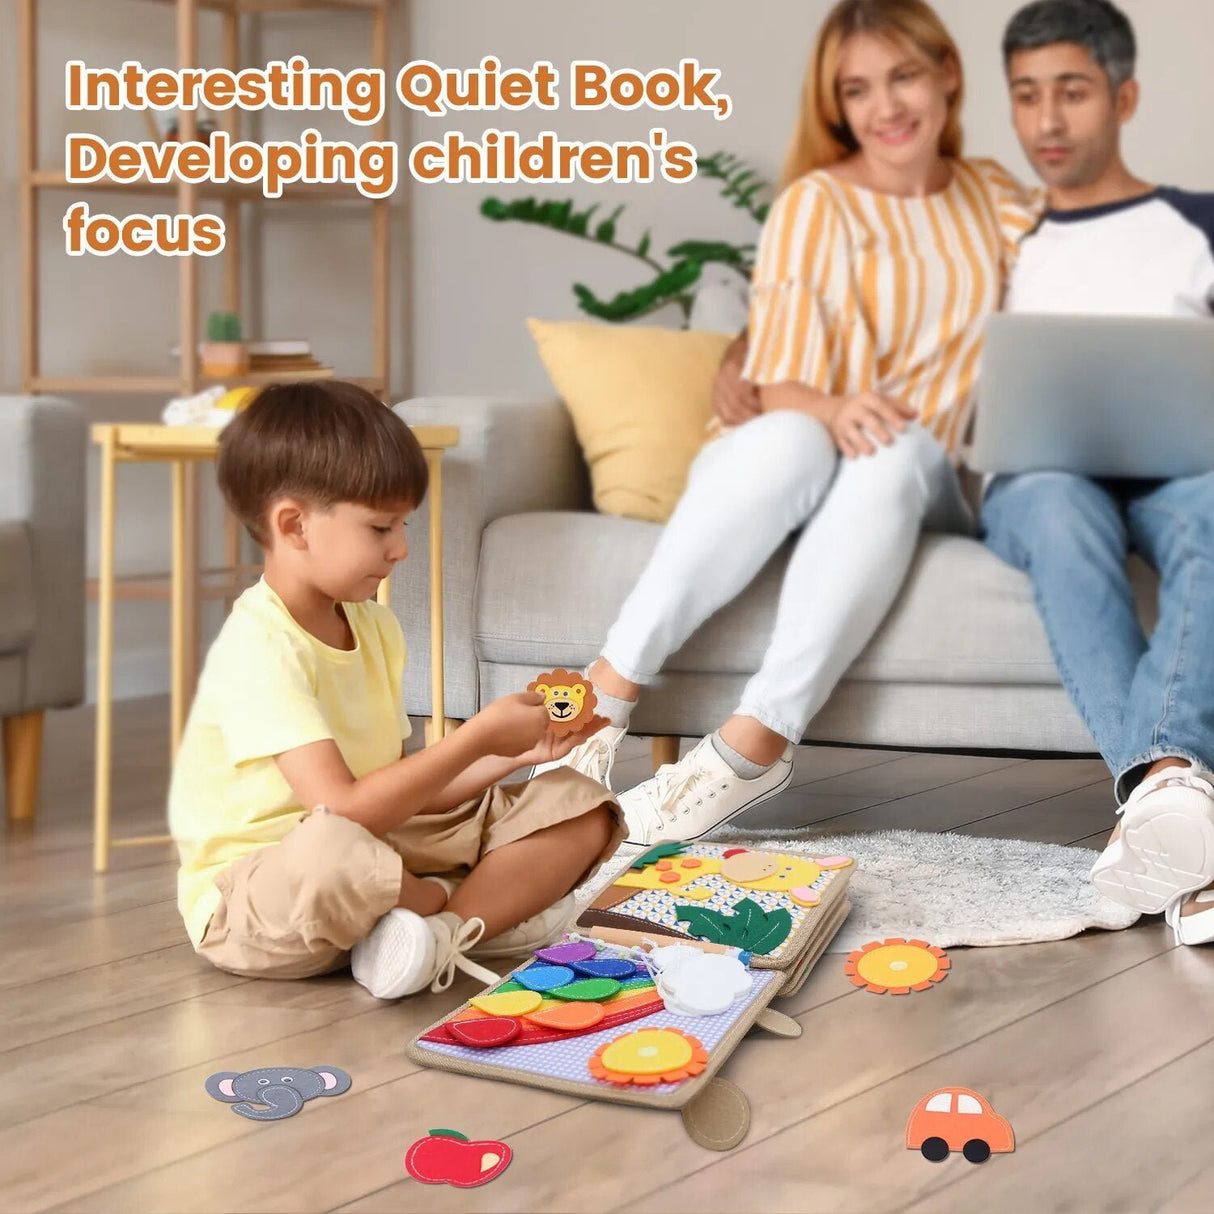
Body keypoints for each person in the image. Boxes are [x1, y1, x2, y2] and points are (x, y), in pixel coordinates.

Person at [536, 0, 1041, 846]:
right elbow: (780, 380)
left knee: (889, 446)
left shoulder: (997, 198)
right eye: (858, 89)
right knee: (790, 434)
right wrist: (827, 404)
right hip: (807, 446)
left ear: (948, 73)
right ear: (836, 105)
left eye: (904, 76)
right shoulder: (816, 204)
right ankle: (605, 691)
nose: (886, 107)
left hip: (927, 468)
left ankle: (755, 742)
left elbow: (1095, 268)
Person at [168, 381, 622, 1000]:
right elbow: (344, 812)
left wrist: (513, 755)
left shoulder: (375, 627)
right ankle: (454, 909)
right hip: (262, 898)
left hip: (378, 851)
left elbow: (399, 795)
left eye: (403, 525)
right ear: (294, 525)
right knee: (334, 847)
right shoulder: (260, 646)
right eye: (381, 527)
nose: (401, 548)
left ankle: (438, 936)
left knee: (579, 802)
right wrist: (476, 738)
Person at [978, 0, 1214, 944]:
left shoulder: (1197, 224)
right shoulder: (997, 235)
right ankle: (1173, 793)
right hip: (1042, 476)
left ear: (1123, 96)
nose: (1046, 122)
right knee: (1057, 504)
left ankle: (1163, 815)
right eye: (1027, 96)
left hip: (1184, 470)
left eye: (1070, 93)